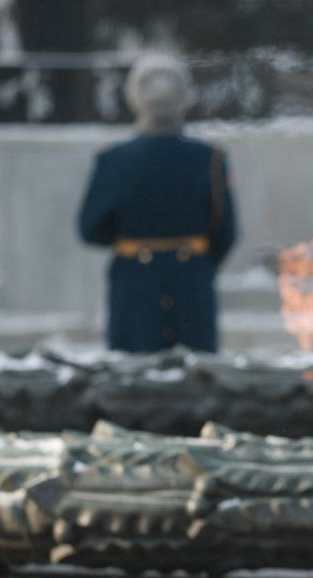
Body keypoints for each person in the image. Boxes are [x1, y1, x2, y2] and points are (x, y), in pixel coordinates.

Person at [77, 53, 237, 354]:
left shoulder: (113, 160)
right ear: (184, 97)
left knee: (134, 384)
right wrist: (192, 261)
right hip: (192, 282)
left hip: (134, 284)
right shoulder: (209, 159)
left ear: (134, 98)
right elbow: (225, 231)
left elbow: (91, 228)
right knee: (196, 383)